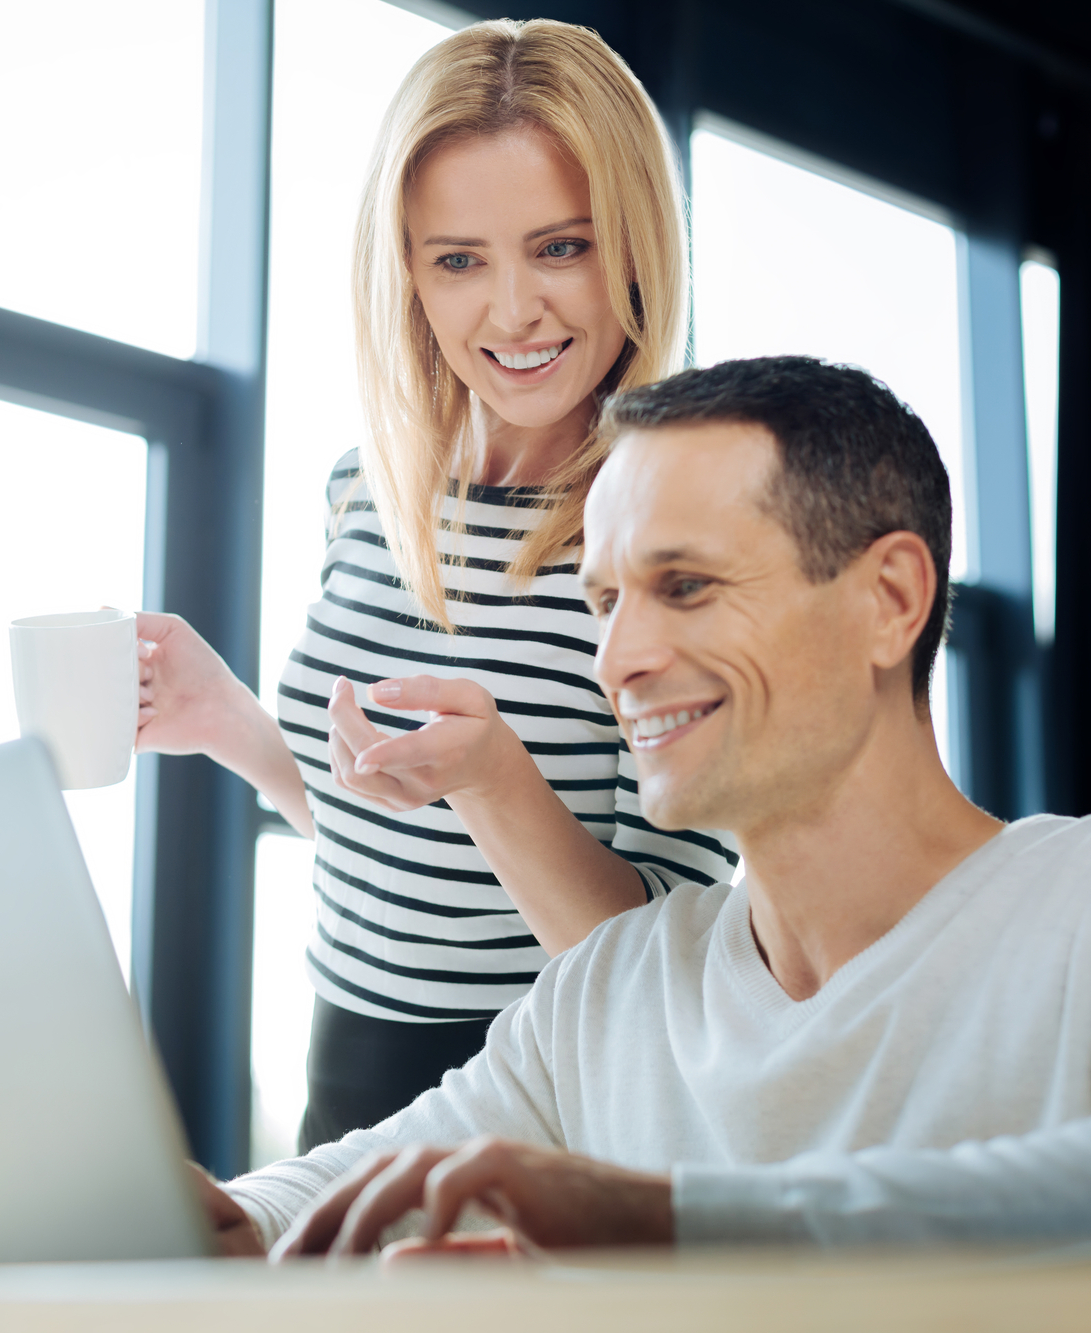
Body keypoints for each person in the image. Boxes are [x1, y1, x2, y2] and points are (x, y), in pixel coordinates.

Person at [190, 356, 1091, 1257]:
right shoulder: (609, 992)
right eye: (605, 601)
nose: (619, 658)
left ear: (890, 600)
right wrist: (230, 1218)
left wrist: (669, 1224)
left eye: (684, 586)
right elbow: (349, 1185)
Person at [135, 19, 733, 1152]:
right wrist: (236, 727)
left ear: (639, 244)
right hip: (344, 1094)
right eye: (458, 259)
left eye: (561, 246)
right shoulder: (367, 487)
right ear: (404, 272)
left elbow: (674, 976)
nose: (512, 311)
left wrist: (498, 782)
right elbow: (399, 856)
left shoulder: (681, 535)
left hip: (546, 1111)